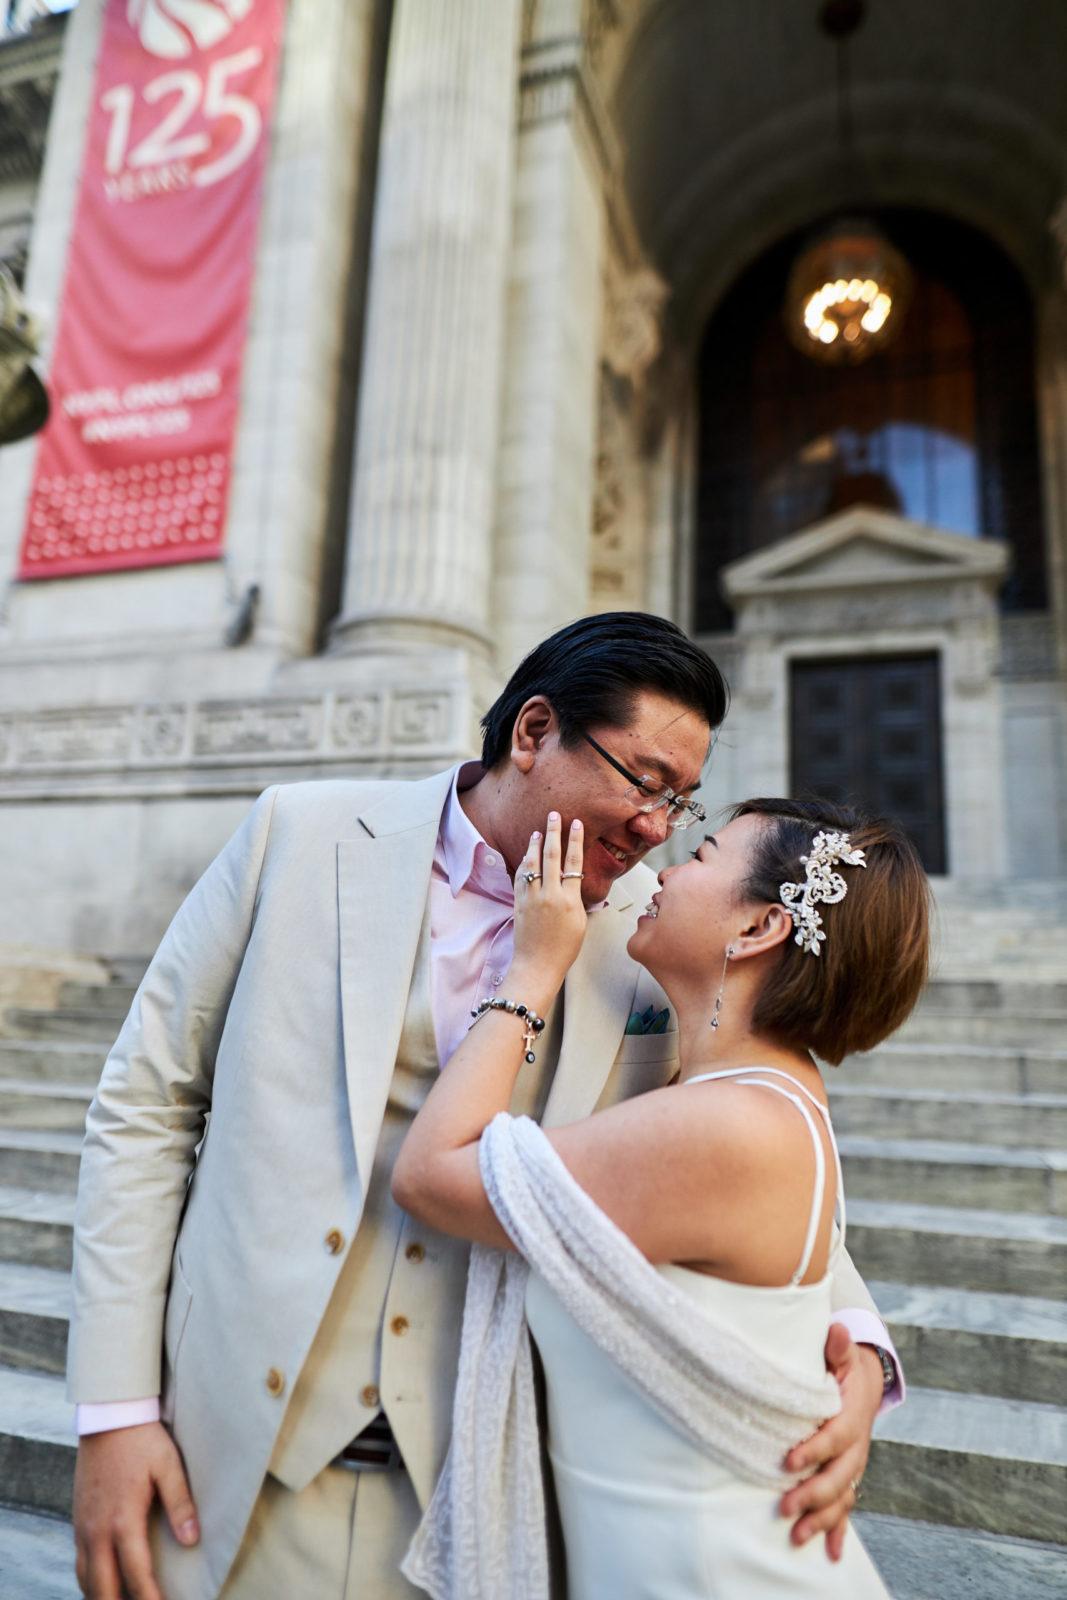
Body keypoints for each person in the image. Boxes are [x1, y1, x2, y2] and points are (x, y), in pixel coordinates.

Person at [68, 613, 902, 1600]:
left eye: (680, 803)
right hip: (221, 1456)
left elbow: (743, 1148)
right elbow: (147, 1103)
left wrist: (856, 1342)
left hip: (477, 1490)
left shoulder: (661, 933)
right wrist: (115, 1411)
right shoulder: (298, 834)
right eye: (643, 781)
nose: (656, 827)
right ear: (534, 731)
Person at [393, 799, 930, 1598]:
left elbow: (430, 1176)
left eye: (701, 854)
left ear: (757, 929)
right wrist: (858, 1342)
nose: (665, 870)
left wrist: (532, 971)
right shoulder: (753, 1093)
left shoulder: (725, 1126)